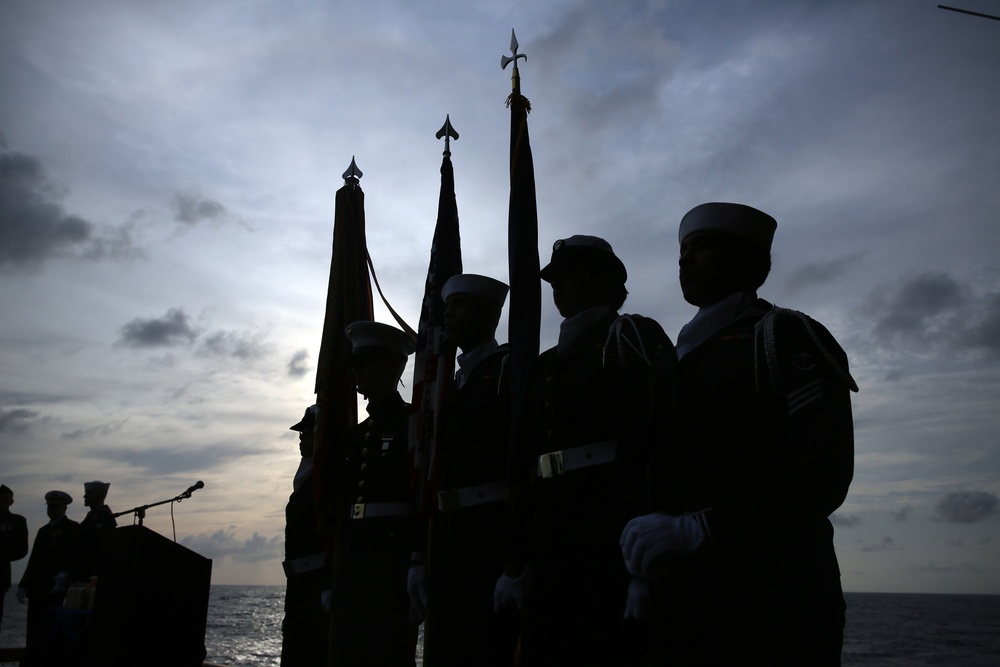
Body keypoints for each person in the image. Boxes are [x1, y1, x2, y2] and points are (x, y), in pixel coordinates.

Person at [620, 202, 857, 665]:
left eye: (703, 246)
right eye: (682, 251)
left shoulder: (785, 336)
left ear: (752, 261)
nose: (685, 260)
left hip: (769, 594)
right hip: (680, 590)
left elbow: (820, 472)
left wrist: (702, 527)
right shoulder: (671, 359)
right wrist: (641, 570)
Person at [495, 236, 677, 665]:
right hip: (549, 538)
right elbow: (522, 466)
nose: (557, 286)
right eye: (554, 278)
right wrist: (514, 556)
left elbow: (657, 440)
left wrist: (644, 563)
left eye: (569, 275)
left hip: (608, 535)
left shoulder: (629, 335)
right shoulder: (543, 363)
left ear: (604, 281)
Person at [413, 274, 520, 666]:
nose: (448, 314)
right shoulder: (447, 383)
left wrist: (515, 557)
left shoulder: (510, 368)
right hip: (447, 539)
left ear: (490, 313)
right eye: (447, 306)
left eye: (460, 305)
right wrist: (419, 556)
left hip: (488, 537)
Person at [328, 321, 418, 666]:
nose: (356, 372)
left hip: (392, 562)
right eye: (353, 365)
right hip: (355, 561)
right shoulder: (357, 434)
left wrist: (416, 559)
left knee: (388, 652)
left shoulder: (413, 422)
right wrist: (331, 577)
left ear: (395, 366)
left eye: (364, 364)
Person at [280, 405, 330, 666]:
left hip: (317, 582)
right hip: (299, 584)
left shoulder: (326, 480)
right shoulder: (306, 479)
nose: (301, 438)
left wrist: (328, 584)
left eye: (306, 432)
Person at [17, 490, 81, 665]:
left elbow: (75, 556)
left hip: (58, 589)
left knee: (54, 632)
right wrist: (24, 583)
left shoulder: (73, 528)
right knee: (35, 629)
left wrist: (66, 574)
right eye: (50, 506)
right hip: (38, 589)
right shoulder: (43, 531)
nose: (51, 509)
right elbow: (34, 559)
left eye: (56, 506)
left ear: (65, 507)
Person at [74, 480, 116, 583]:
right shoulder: (92, 516)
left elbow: (104, 547)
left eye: (89, 493)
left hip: (93, 573)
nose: (85, 496)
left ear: (100, 495)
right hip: (83, 572)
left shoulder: (104, 516)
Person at [0, 484, 29, 632]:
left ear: (12, 501)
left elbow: (22, 550)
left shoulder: (17, 521)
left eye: (5, 498)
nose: (1, 500)